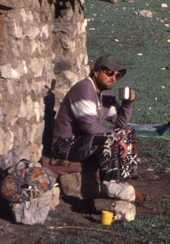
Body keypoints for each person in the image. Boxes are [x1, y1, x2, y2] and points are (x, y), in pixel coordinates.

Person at [50, 54, 141, 187]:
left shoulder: (106, 93)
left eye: (117, 75)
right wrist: (116, 138)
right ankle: (110, 186)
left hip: (84, 140)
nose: (113, 78)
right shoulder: (85, 89)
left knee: (127, 132)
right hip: (64, 144)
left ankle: (124, 179)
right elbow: (90, 127)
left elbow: (120, 122)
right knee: (109, 139)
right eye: (109, 72)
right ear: (96, 72)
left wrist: (127, 103)